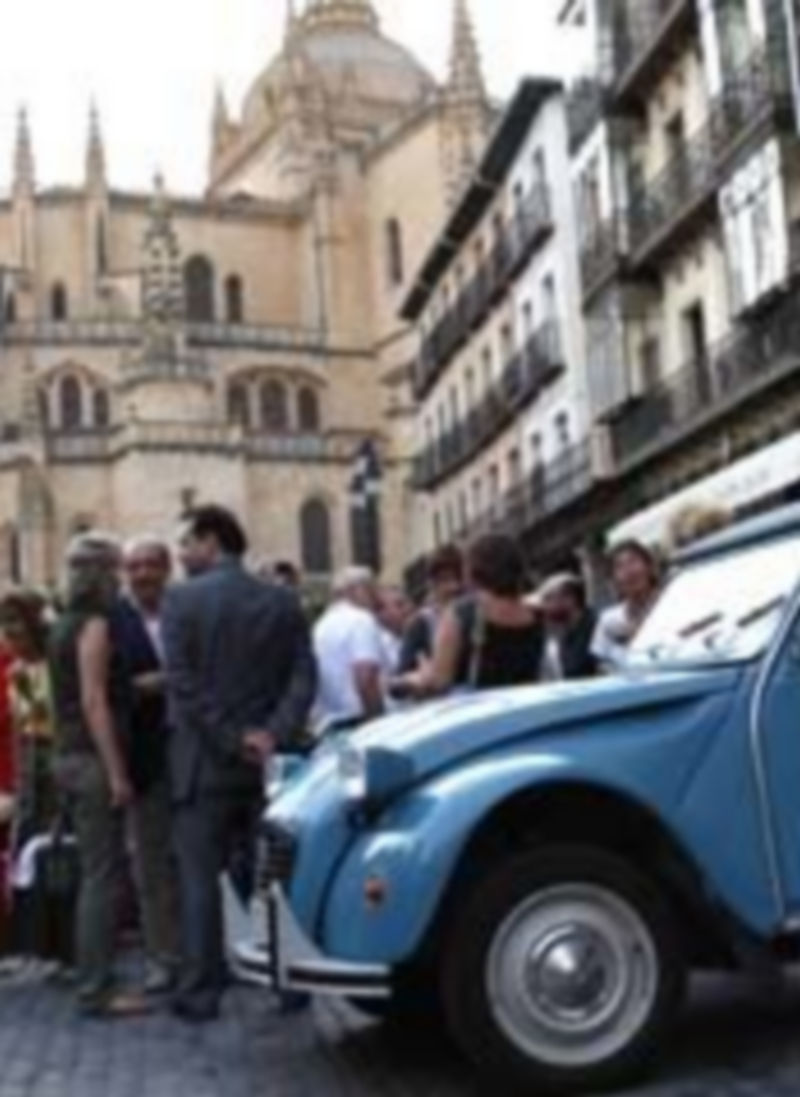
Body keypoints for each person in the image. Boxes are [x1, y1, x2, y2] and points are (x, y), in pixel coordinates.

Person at [163, 504, 315, 1023]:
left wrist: (234, 738)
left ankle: (202, 991)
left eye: (188, 543)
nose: (182, 554)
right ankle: (290, 980)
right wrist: (272, 734)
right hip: (269, 765)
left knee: (200, 881)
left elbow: (183, 686)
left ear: (211, 541)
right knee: (276, 876)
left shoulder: (181, 601)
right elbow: (303, 677)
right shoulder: (282, 600)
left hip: (204, 765)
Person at [49, 533, 147, 1018]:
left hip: (66, 754)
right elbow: (93, 701)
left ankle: (92, 975)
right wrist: (116, 772)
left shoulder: (61, 624)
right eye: (115, 570)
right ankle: (97, 987)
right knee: (102, 876)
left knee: (96, 871)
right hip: (89, 758)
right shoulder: (93, 624)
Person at [114, 537, 180, 995]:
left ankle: (205, 950)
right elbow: (107, 686)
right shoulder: (114, 621)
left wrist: (163, 681)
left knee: (199, 860)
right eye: (134, 566)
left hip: (193, 752)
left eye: (150, 565)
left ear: (166, 568)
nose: (142, 574)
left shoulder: (185, 612)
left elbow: (205, 672)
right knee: (150, 863)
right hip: (141, 755)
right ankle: (162, 957)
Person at [395, 535, 544, 697]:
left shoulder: (462, 613)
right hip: (527, 708)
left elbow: (439, 681)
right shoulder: (535, 614)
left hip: (480, 712)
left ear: (473, 571)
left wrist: (415, 680)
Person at [313, 567, 386, 728]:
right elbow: (365, 676)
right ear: (355, 590)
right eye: (371, 590)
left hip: (327, 722)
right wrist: (378, 722)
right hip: (359, 720)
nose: (376, 599)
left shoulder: (320, 626)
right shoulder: (361, 620)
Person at [592, 540, 661, 672]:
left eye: (633, 562)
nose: (629, 571)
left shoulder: (672, 607)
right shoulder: (609, 621)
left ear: (649, 567)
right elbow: (602, 665)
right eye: (620, 566)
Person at [398, 544, 464, 674]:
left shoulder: (478, 616)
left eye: (459, 578)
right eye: (445, 579)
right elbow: (403, 674)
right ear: (432, 584)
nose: (454, 586)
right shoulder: (420, 625)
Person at [536, 573, 598, 681]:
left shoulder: (596, 628)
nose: (544, 608)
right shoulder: (563, 632)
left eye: (548, 599)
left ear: (569, 599)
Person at [377, 585, 414, 677]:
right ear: (383, 613)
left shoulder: (411, 637)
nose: (409, 608)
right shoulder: (380, 646)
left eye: (408, 603)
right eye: (400, 605)